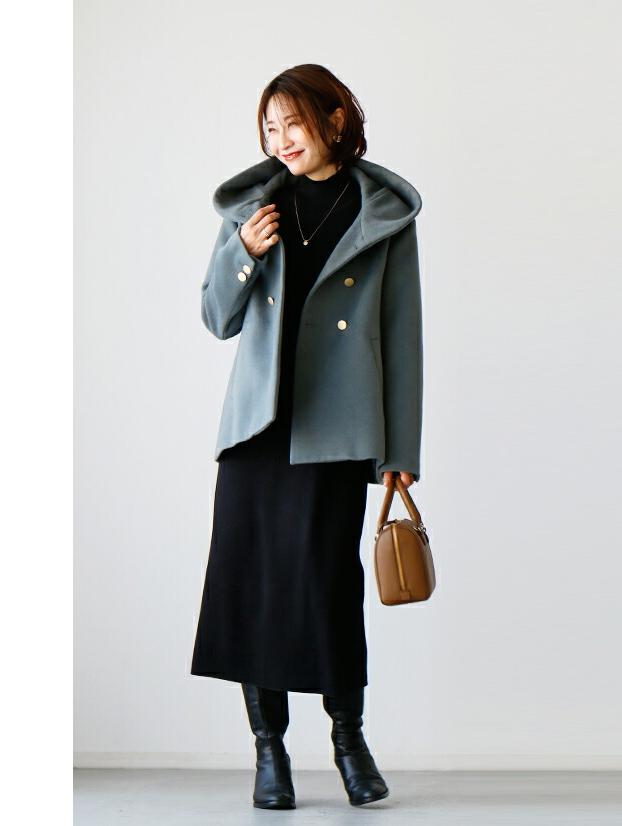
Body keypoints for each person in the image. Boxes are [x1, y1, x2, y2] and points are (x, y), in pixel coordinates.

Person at [189, 63, 424, 810]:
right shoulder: (253, 207)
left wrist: (400, 451)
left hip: (337, 431)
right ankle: (270, 753)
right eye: (270, 128)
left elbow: (403, 336)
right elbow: (216, 318)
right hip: (258, 430)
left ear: (334, 119)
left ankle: (349, 741)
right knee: (254, 588)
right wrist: (244, 252)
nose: (282, 140)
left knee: (329, 589)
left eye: (294, 123)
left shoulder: (383, 213)